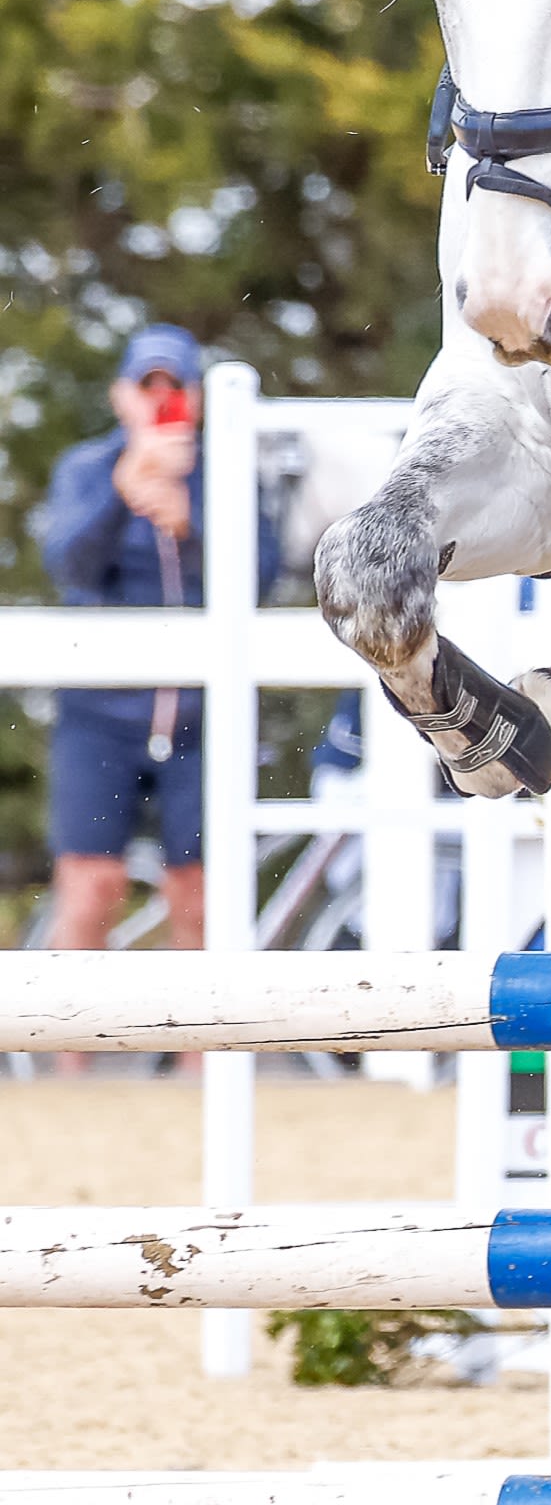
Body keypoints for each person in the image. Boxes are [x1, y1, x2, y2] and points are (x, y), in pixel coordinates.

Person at [35, 328, 275, 1072]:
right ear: (122, 396)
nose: (162, 400)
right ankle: (65, 1060)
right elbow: (66, 562)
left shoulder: (230, 473)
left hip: (199, 717)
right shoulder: (88, 466)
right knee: (90, 882)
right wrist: (122, 495)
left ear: (198, 399)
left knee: (197, 890)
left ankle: (200, 1066)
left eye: (175, 387)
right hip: (99, 716)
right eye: (149, 387)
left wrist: (188, 524)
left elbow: (262, 576)